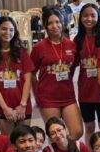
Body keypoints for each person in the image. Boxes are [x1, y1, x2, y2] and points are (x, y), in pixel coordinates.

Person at [32, 8, 80, 139]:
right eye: (50, 23)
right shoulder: (39, 47)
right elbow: (32, 74)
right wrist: (37, 96)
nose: (55, 26)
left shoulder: (71, 45)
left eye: (57, 22)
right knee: (55, 135)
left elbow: (73, 67)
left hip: (68, 95)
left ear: (62, 23)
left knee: (77, 132)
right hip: (47, 97)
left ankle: (66, 149)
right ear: (45, 26)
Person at [0, 16, 34, 135]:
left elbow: (28, 81)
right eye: (4, 29)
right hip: (3, 107)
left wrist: (23, 105)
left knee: (24, 140)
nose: (8, 32)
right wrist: (5, 108)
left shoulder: (22, 52)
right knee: (8, 143)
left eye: (11, 30)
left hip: (23, 105)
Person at [74, 4, 100, 138]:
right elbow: (73, 64)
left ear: (98, 17)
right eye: (85, 16)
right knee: (89, 127)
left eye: (93, 15)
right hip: (85, 90)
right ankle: (89, 151)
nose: (89, 19)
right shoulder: (78, 39)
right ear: (80, 18)